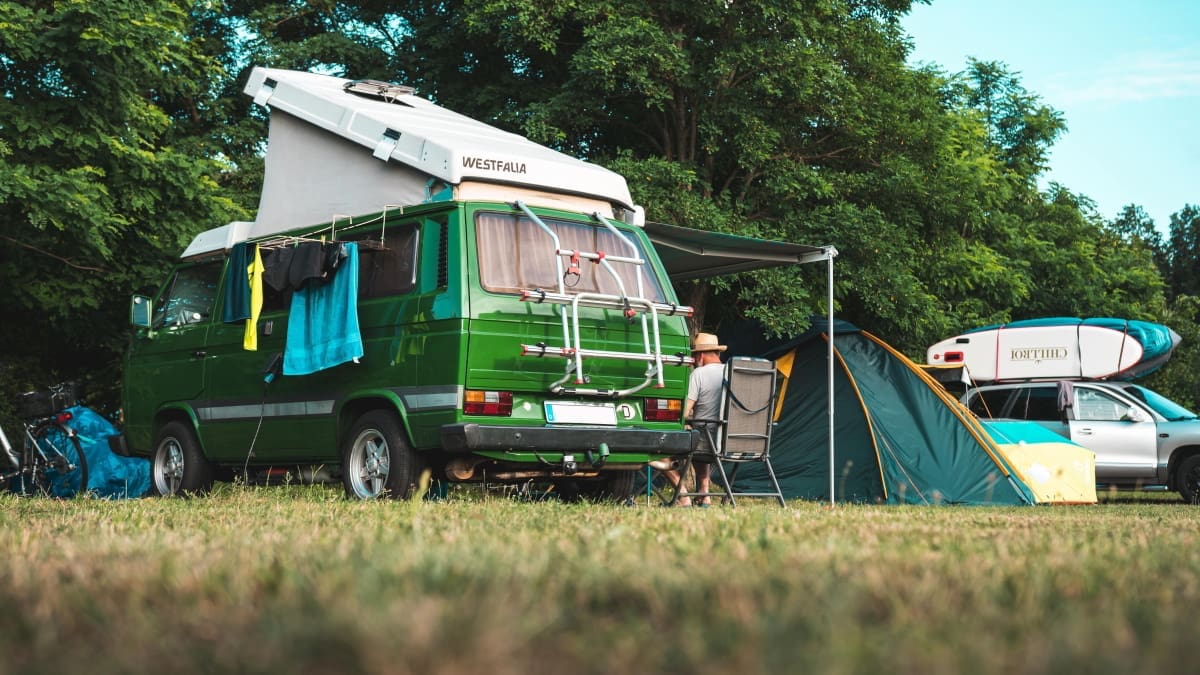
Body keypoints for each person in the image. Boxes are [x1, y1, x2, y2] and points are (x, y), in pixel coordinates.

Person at [661, 332, 726, 507]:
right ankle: (704, 495)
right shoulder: (733, 372)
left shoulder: (699, 373)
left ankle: (683, 497)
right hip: (732, 441)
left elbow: (684, 412)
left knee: (657, 450)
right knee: (701, 436)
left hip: (706, 440)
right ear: (717, 353)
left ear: (700, 356)